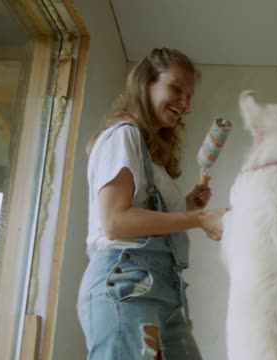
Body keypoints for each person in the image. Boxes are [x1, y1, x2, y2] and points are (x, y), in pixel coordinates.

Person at [77, 47, 225, 360]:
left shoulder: (148, 156)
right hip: (126, 282)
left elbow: (147, 220)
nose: (184, 103)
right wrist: (199, 220)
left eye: (189, 96)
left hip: (161, 289)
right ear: (146, 83)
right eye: (175, 88)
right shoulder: (123, 135)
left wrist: (187, 205)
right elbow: (116, 222)